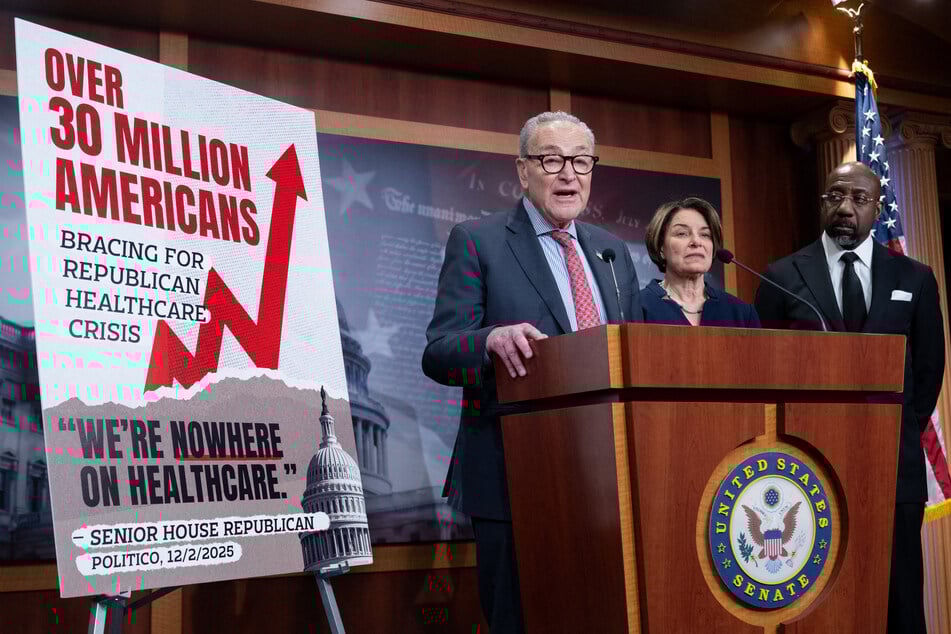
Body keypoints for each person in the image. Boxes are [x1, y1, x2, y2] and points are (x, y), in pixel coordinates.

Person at [421, 111, 641, 633]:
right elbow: (439, 350)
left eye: (581, 162)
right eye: (552, 160)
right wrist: (490, 340)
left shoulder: (612, 252)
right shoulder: (478, 240)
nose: (569, 174)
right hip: (511, 472)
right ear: (523, 172)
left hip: (605, 477)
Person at [753, 161, 945, 634]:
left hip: (893, 466)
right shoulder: (782, 275)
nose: (845, 207)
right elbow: (763, 367)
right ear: (823, 203)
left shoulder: (915, 278)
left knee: (900, 600)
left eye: (859, 199)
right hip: (808, 465)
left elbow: (928, 371)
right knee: (821, 598)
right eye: (836, 196)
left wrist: (892, 428)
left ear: (877, 209)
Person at [641, 197, 759, 327]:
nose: (697, 242)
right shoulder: (638, 306)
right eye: (682, 233)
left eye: (705, 235)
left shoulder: (741, 313)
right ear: (661, 247)